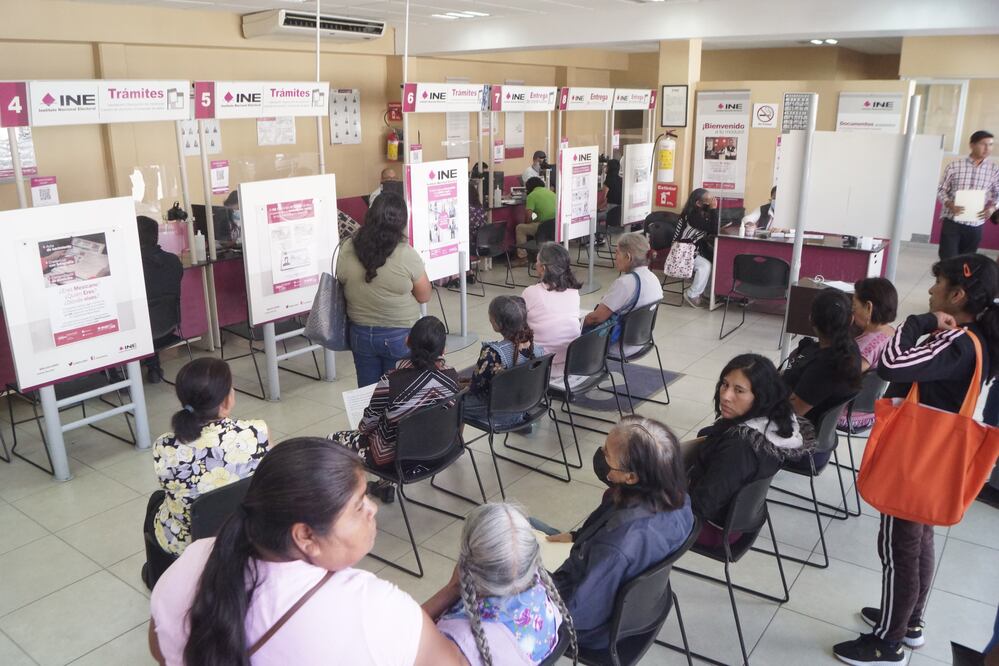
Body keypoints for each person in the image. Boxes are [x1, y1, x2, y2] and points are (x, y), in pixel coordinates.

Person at [149, 438, 468, 666]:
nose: (372, 509)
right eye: (358, 506)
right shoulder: (371, 606)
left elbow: (159, 645)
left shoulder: (194, 558)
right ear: (305, 536)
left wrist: (447, 592)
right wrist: (454, 596)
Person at [833, 253, 999, 665]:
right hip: (938, 458)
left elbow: (890, 364)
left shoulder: (957, 342)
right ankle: (910, 622)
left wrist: (920, 322)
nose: (930, 290)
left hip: (918, 458)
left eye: (938, 283)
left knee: (899, 551)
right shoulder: (979, 339)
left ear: (957, 294)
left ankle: (886, 641)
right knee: (918, 541)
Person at [540, 416, 693, 650]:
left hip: (590, 626)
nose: (601, 457)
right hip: (643, 606)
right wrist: (578, 536)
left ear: (630, 477)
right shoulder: (681, 502)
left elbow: (579, 614)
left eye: (607, 456)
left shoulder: (616, 546)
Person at [686, 354, 815, 545]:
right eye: (724, 384)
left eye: (739, 390)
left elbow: (702, 506)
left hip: (710, 528)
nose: (725, 396)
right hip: (738, 521)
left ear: (761, 396)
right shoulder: (776, 423)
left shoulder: (739, 448)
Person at [327, 316, 459, 502]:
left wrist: (364, 427)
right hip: (440, 449)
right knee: (399, 430)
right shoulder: (452, 377)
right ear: (444, 350)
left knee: (331, 440)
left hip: (395, 457)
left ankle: (345, 497)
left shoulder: (392, 381)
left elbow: (368, 424)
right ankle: (384, 486)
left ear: (407, 342)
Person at [425, 503, 575, 665]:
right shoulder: (541, 587)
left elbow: (398, 640)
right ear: (530, 559)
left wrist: (450, 590)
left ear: (466, 563)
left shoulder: (458, 640)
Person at [148, 358, 269, 559]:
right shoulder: (257, 432)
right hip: (246, 536)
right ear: (226, 401)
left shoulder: (164, 446)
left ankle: (157, 570)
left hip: (188, 547)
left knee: (156, 502)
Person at [337, 192, 432, 387]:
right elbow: (424, 295)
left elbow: (342, 278)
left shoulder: (348, 246)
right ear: (401, 222)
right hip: (400, 335)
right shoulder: (406, 253)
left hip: (359, 333)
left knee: (368, 395)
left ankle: (371, 418)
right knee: (397, 396)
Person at [782, 288, 863, 430]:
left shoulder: (824, 369)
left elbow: (790, 414)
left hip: (801, 434)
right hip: (820, 431)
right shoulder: (849, 348)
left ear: (811, 320)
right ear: (851, 320)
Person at [465, 296, 545, 428]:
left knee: (452, 405)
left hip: (498, 413)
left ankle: (456, 444)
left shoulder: (493, 354)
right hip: (524, 407)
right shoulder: (537, 350)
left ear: (497, 324)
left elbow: (475, 387)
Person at [837, 277, 898, 433]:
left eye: (854, 306)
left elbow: (844, 375)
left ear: (868, 307)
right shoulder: (892, 333)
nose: (852, 310)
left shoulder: (866, 346)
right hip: (870, 410)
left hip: (847, 414)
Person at [937, 130, 999, 259]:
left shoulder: (994, 170)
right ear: (972, 145)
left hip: (976, 224)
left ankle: (962, 280)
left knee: (967, 261)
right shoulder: (954, 166)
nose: (987, 148)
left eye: (991, 144)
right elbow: (941, 190)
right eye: (983, 144)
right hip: (952, 221)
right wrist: (949, 204)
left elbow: (997, 194)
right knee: (948, 259)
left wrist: (993, 208)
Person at [522, 242, 582, 376]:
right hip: (571, 358)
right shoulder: (574, 291)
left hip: (541, 362)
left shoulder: (531, 292)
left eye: (536, 262)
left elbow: (520, 326)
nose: (535, 265)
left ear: (542, 268)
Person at [137, 215, 184, 384]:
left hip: (145, 329)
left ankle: (118, 378)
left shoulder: (133, 267)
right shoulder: (173, 260)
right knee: (149, 311)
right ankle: (153, 368)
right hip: (170, 324)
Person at [582, 232, 661, 331]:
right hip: (640, 339)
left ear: (628, 257)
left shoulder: (625, 283)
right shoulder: (653, 278)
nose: (615, 257)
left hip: (617, 343)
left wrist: (579, 323)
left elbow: (596, 318)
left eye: (617, 252)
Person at [674, 188, 717, 308]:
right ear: (698, 203)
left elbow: (711, 228)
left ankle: (706, 294)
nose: (712, 202)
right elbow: (713, 229)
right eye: (709, 200)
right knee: (705, 266)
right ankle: (692, 294)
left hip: (692, 249)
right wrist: (713, 210)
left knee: (713, 260)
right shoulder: (693, 216)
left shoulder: (699, 214)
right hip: (682, 251)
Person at [513, 177, 557, 266]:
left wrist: (527, 223)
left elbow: (529, 216)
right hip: (555, 225)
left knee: (520, 228)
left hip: (544, 227)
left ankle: (523, 258)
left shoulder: (532, 196)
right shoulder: (551, 193)